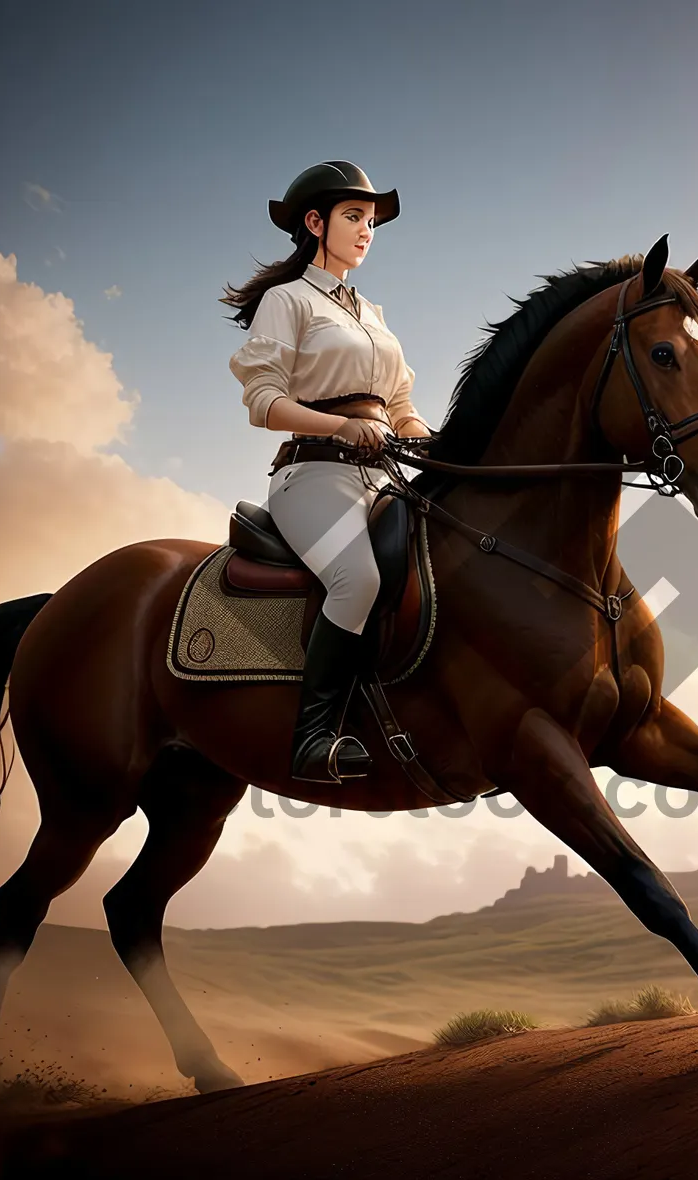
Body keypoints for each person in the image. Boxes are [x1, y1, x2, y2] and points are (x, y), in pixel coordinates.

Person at [223, 161, 432, 785]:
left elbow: (401, 410)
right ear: (315, 223)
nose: (367, 230)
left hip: (382, 477)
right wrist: (341, 426)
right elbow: (264, 402)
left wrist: (440, 443)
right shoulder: (286, 301)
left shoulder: (374, 314)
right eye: (353, 217)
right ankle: (313, 737)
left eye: (371, 221)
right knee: (357, 578)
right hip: (313, 477)